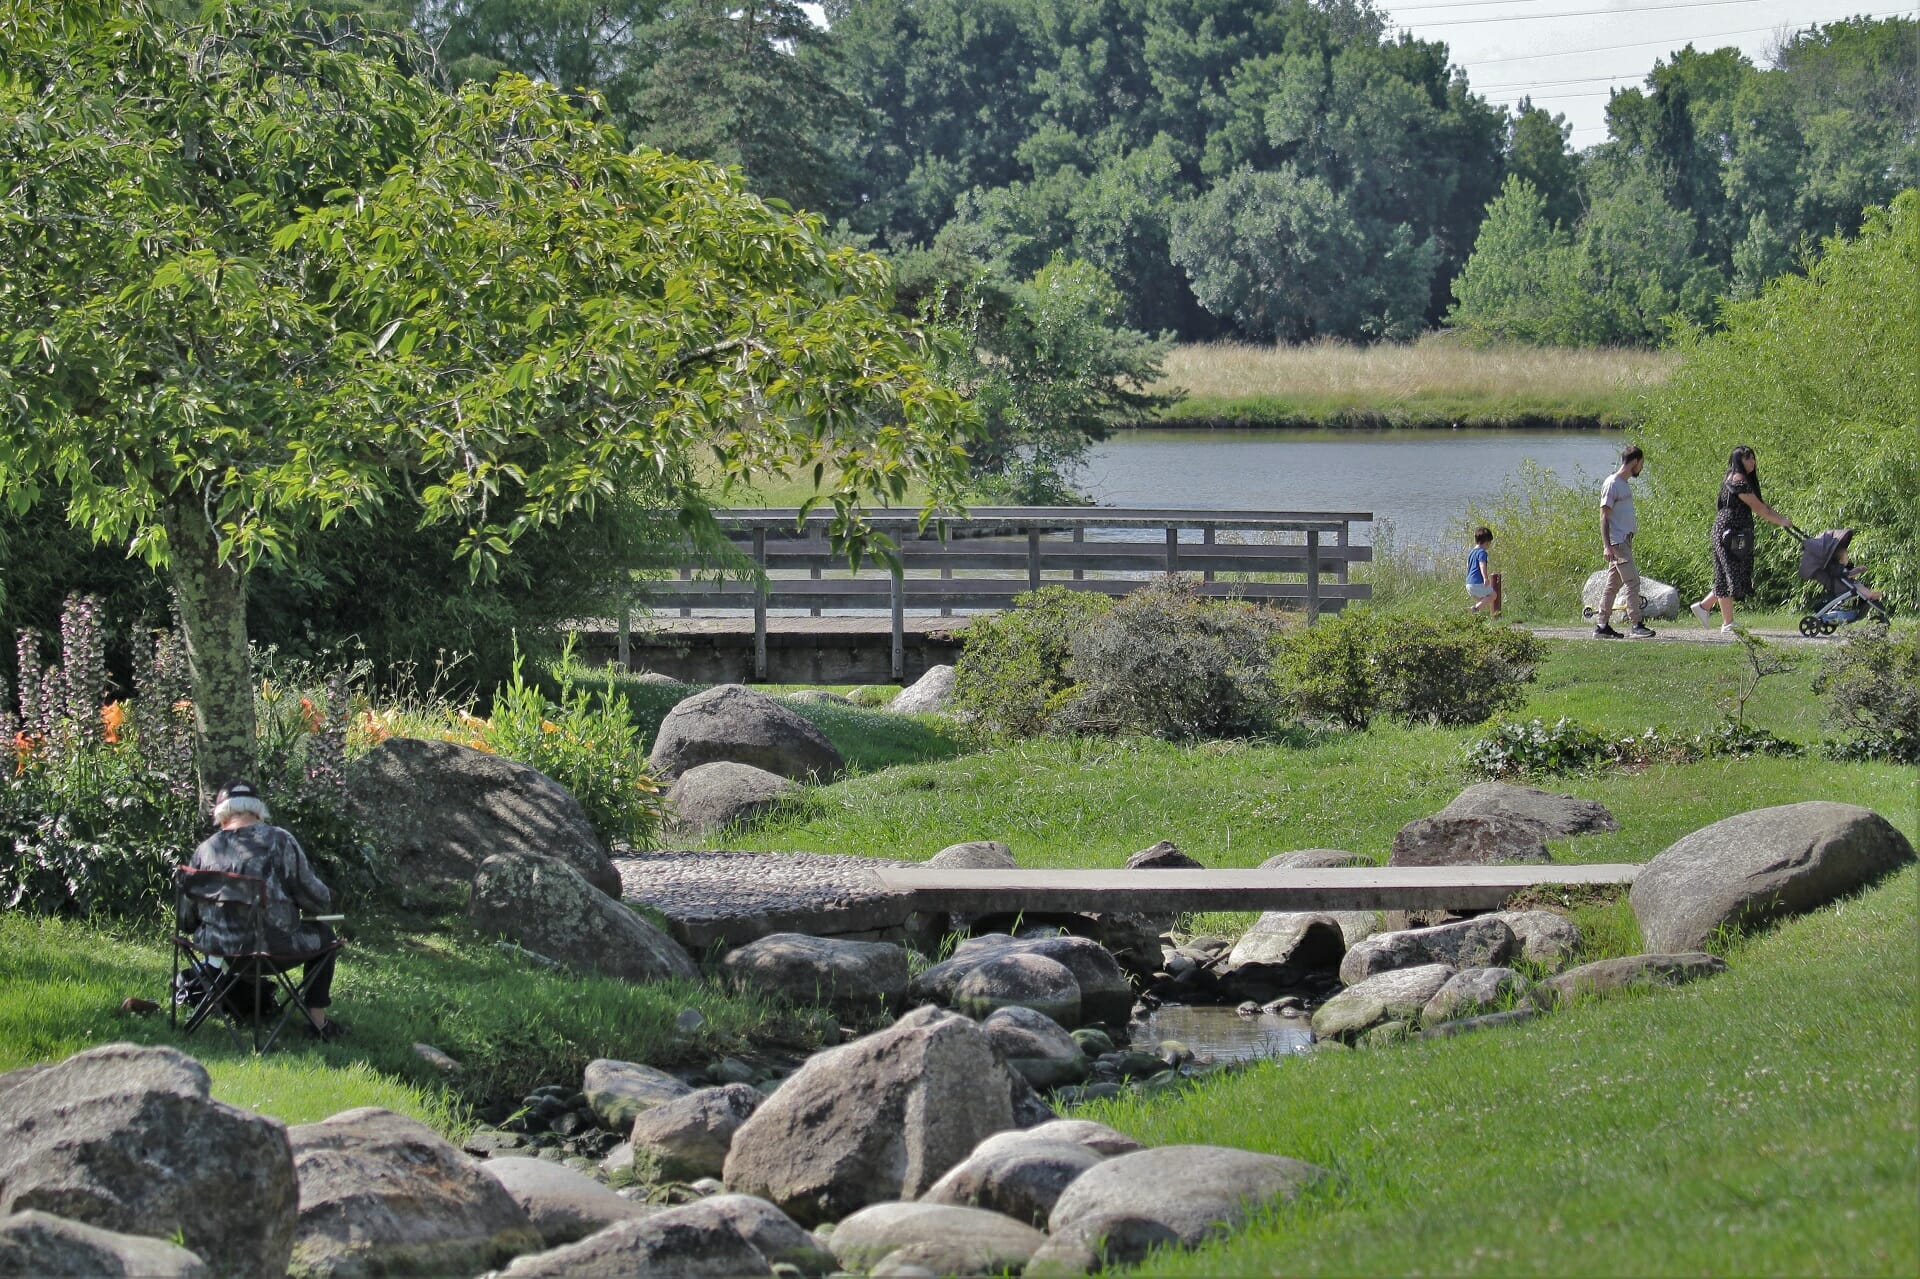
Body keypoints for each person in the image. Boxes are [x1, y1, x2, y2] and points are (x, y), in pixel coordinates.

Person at [177, 780, 344, 1039]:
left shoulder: (205, 850)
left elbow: (186, 921)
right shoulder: (280, 841)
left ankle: (224, 1001)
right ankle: (318, 1023)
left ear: (222, 815)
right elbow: (314, 898)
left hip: (219, 952)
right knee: (326, 934)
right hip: (272, 950)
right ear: (258, 811)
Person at [1691, 445, 1791, 632]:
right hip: (1730, 532)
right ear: (1738, 461)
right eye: (1747, 459)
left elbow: (1761, 504)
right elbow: (1760, 509)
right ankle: (1726, 622)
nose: (1752, 462)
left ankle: (1705, 608)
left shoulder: (1733, 478)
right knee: (1732, 573)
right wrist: (1782, 521)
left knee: (1726, 573)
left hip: (1725, 531)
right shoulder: (1738, 480)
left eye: (1753, 458)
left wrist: (1780, 517)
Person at [1595, 444, 1655, 639]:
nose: (1641, 468)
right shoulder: (1612, 483)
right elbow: (1604, 516)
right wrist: (1607, 546)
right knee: (1632, 582)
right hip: (1618, 543)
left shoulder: (1623, 484)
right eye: (1642, 464)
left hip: (1624, 541)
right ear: (1635, 462)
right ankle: (1636, 624)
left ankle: (1602, 626)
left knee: (1612, 586)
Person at [1466, 526, 1496, 614]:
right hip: (1477, 583)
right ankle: (1473, 610)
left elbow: (1468, 566)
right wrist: (1485, 578)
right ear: (1487, 542)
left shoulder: (1471, 552)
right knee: (1493, 595)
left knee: (1483, 600)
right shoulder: (1482, 552)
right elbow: (1482, 564)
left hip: (1468, 583)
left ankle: (1477, 617)